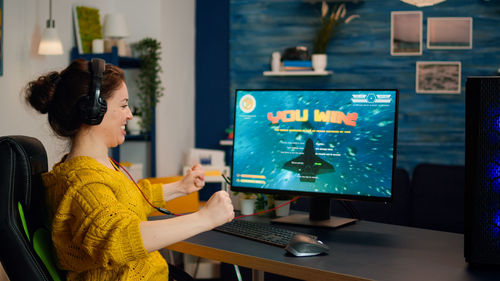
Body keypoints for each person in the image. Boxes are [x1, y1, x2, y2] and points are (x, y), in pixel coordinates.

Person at [24, 58, 234, 280]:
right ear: (93, 110)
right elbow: (117, 238)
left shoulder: (95, 167)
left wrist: (180, 187)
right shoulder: (83, 183)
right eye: (123, 105)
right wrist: (204, 219)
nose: (130, 114)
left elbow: (128, 201)